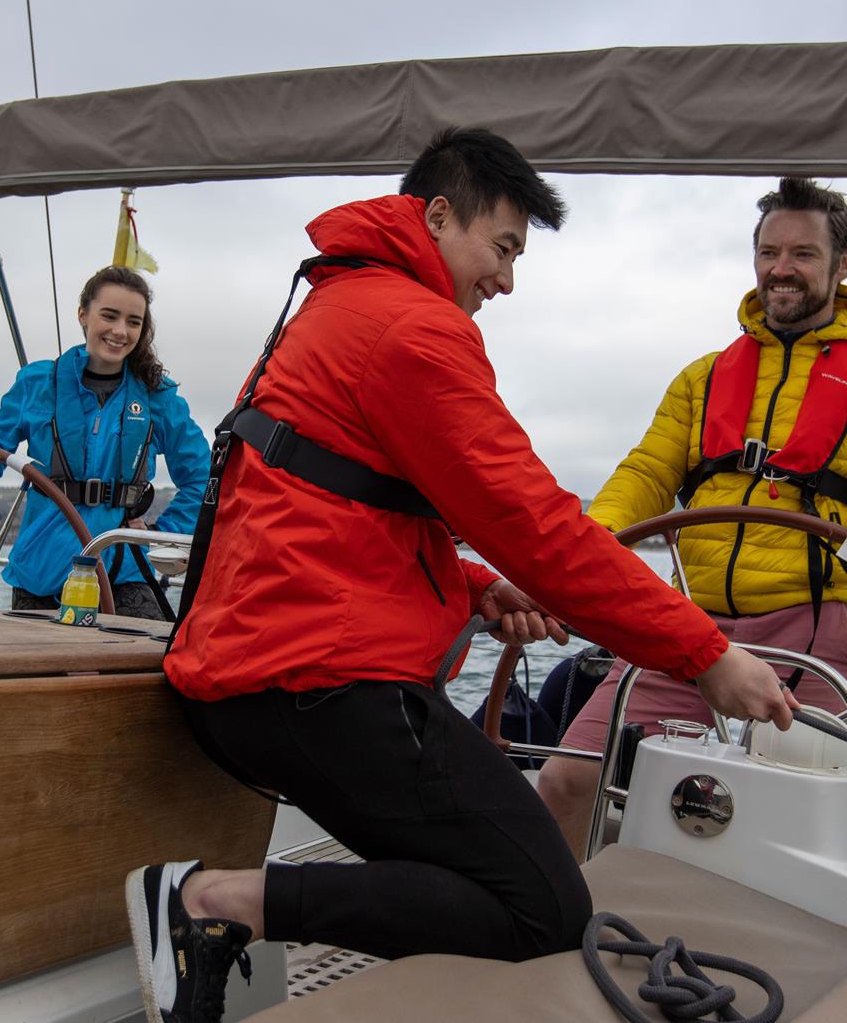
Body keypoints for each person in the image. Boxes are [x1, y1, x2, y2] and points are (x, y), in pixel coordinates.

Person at [123, 128, 799, 1023]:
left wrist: (477, 588)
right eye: (503, 248)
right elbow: (535, 523)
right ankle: (213, 906)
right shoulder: (412, 328)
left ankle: (226, 920)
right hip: (314, 687)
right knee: (543, 909)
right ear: (437, 216)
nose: (507, 280)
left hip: (256, 678)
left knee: (496, 872)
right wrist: (703, 653)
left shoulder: (339, 306)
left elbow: (337, 507)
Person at [535, 178, 847, 858]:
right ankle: (556, 937)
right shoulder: (702, 378)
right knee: (567, 782)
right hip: (689, 631)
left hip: (810, 633)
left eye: (803, 253)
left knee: (803, 827)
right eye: (769, 251)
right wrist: (587, 548)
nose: (781, 268)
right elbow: (645, 474)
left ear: (845, 263)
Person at [0, 266, 208, 620]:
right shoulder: (38, 384)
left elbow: (204, 479)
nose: (120, 331)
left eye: (133, 321)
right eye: (109, 316)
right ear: (83, 315)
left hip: (122, 571)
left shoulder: (159, 397)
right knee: (42, 676)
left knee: (148, 666)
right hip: (42, 573)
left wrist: (160, 536)